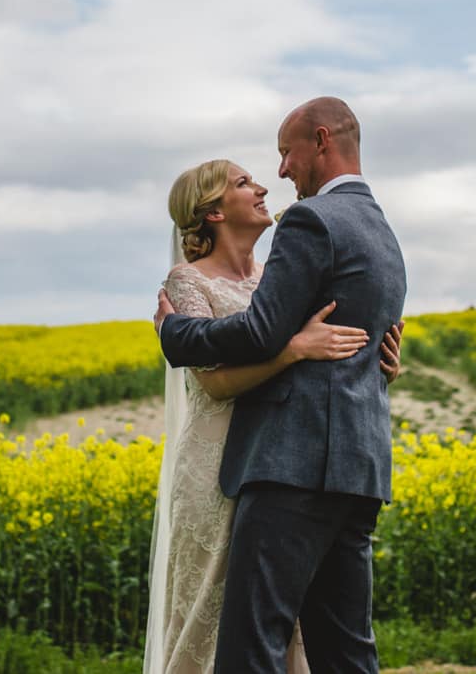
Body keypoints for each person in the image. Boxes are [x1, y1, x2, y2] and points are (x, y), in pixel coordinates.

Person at [154, 98, 407, 674]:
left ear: (321, 141)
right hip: (356, 465)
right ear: (211, 213)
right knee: (344, 648)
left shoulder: (311, 219)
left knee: (252, 646)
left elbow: (267, 329)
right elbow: (359, 334)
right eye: (253, 176)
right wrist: (379, 364)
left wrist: (178, 334)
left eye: (285, 155)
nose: (281, 173)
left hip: (292, 463)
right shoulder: (380, 228)